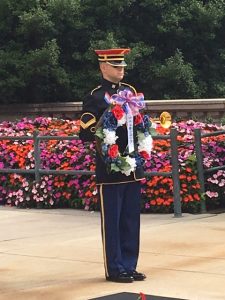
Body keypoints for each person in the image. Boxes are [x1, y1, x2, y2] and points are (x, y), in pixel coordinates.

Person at [79, 48, 146, 283]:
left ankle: (129, 264)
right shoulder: (96, 97)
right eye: (117, 66)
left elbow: (140, 125)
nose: (121, 70)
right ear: (103, 67)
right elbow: (86, 133)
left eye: (123, 66)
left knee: (130, 219)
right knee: (113, 221)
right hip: (110, 167)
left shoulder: (130, 92)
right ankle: (115, 268)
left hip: (132, 165)